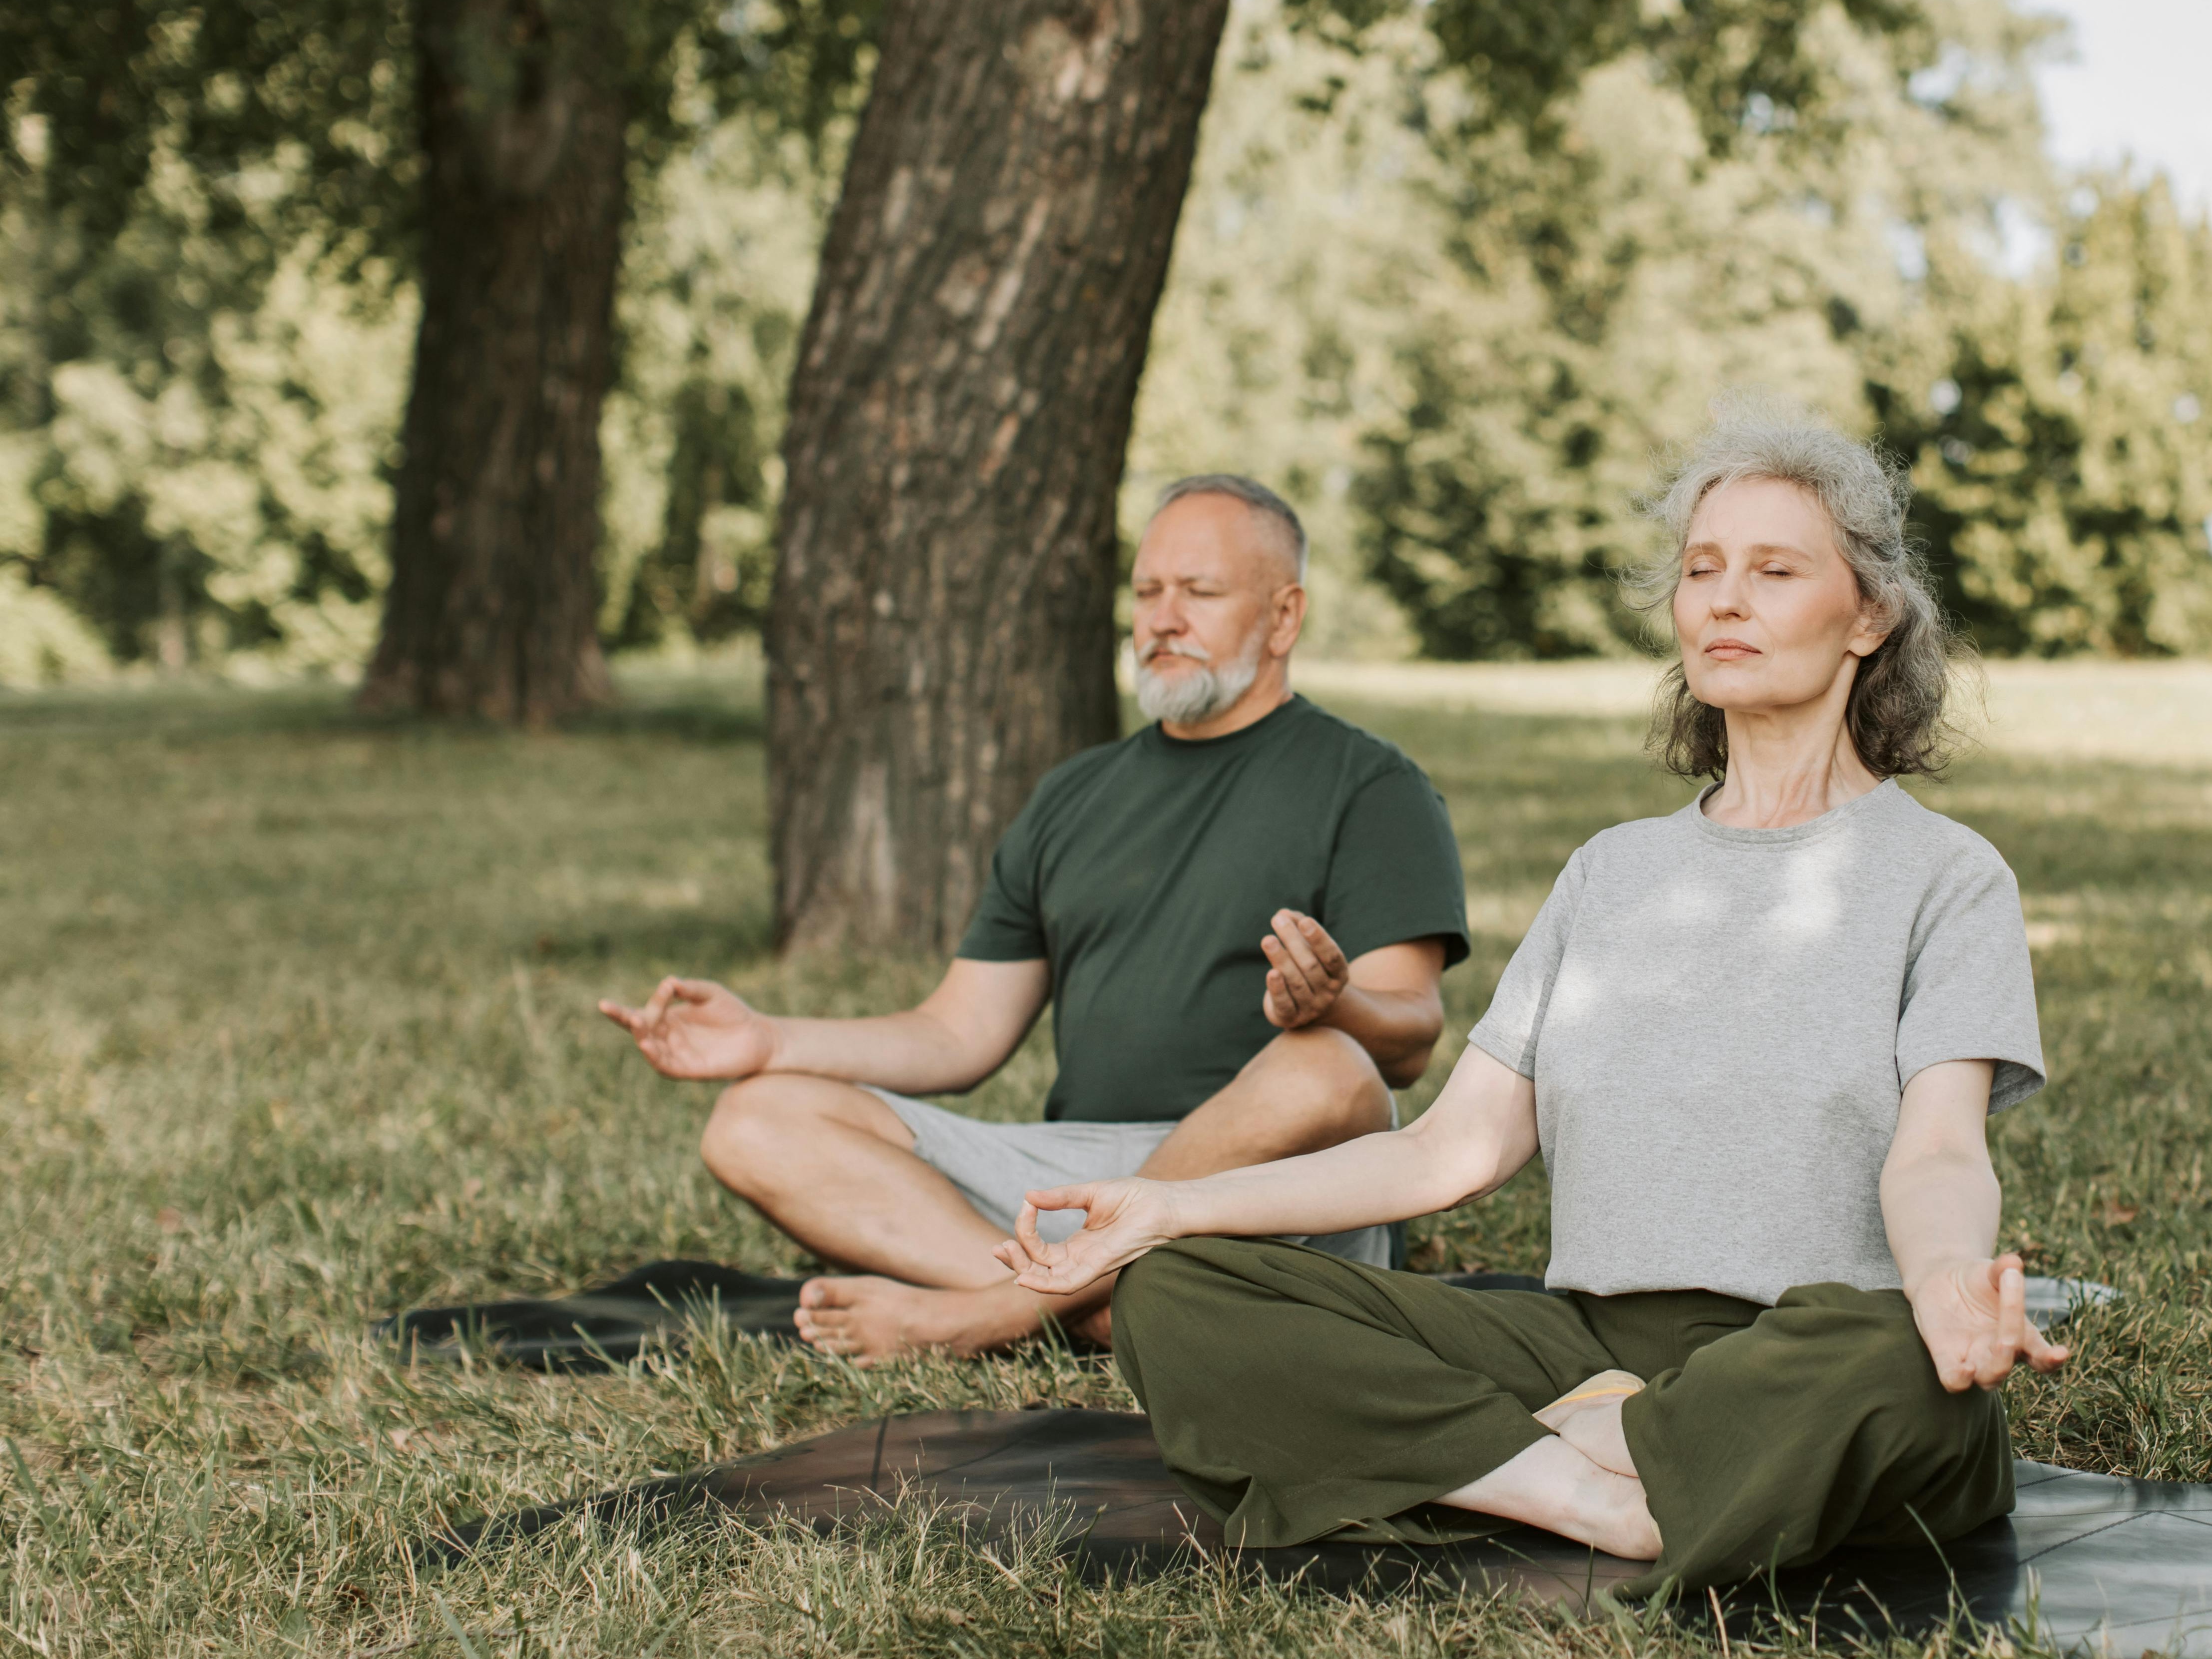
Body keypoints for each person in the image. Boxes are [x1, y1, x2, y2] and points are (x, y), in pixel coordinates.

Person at [993, 403, 2071, 1596]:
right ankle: (1593, 1492)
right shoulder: (1610, 871)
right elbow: (1447, 1151)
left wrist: (1944, 1284)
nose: (1723, 599)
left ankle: (1519, 1450)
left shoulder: (1944, 876)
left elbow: (1936, 1155)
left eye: (1774, 570)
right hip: (1588, 1345)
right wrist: (1166, 1206)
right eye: (1702, 569)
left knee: (1903, 1371)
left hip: (1805, 1346)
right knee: (1181, 1286)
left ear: (1868, 612)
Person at [601, 474, 1471, 1362]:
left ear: (1283, 617)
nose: (1162, 619)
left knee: (1327, 1068)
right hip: (1078, 1179)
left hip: (1265, 1185)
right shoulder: (1075, 794)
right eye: (1145, 592)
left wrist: (1336, 1004)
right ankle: (1087, 1310)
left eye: (1199, 593)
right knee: (755, 1120)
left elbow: (1403, 1042)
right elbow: (958, 1033)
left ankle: (991, 1316)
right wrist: (767, 1042)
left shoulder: (1371, 786)